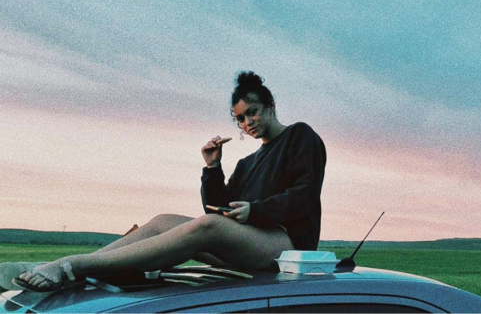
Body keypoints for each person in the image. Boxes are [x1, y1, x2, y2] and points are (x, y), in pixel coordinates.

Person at [10, 71, 327, 293]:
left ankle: (75, 264)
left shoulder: (300, 135)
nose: (247, 123)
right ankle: (78, 270)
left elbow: (304, 195)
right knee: (164, 221)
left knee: (208, 227)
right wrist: (213, 167)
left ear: (270, 106)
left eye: (253, 113)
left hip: (288, 245)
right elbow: (218, 210)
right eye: (240, 119)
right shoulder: (248, 162)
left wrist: (254, 211)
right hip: (252, 241)